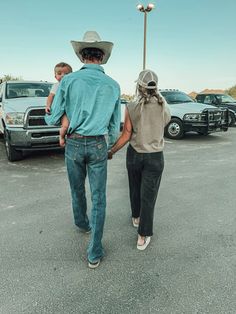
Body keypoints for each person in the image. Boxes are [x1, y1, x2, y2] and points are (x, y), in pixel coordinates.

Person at [45, 31, 120, 268]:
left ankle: (82, 223)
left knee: (77, 189)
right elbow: (114, 125)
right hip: (99, 142)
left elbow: (54, 117)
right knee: (99, 197)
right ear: (101, 57)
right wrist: (108, 147)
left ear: (82, 56)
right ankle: (94, 252)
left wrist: (64, 119)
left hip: (74, 142)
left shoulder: (67, 81)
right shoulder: (113, 85)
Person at [108, 69, 171, 250]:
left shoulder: (131, 106)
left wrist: (111, 151)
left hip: (135, 154)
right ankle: (142, 236)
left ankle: (136, 217)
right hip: (155, 157)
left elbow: (126, 134)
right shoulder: (164, 106)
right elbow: (163, 123)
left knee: (135, 189)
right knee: (148, 197)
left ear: (138, 86)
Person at [45, 62, 73, 147]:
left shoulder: (73, 85)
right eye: (59, 74)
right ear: (55, 76)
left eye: (66, 74)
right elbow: (50, 96)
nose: (63, 76)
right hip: (62, 111)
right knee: (65, 126)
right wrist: (48, 106)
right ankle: (61, 137)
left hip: (71, 109)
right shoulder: (56, 86)